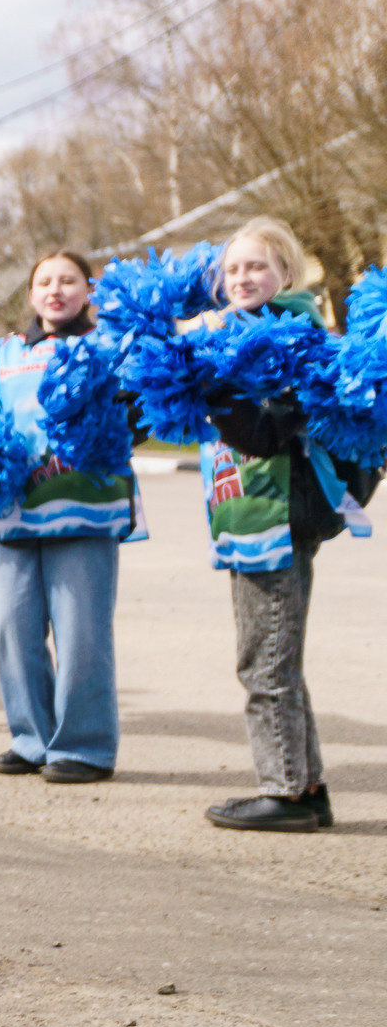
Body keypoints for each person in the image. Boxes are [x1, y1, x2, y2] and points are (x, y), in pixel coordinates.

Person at [191, 218, 361, 831]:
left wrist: (206, 383)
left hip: (278, 520)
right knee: (275, 660)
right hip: (245, 518)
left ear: (286, 275)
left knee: (264, 663)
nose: (242, 278)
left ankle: (285, 791)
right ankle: (306, 787)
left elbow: (264, 434)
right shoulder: (236, 335)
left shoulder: (299, 343)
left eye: (257, 266)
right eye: (232, 269)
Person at [0, 251, 144, 784]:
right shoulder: (0, 354)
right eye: (44, 281)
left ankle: (86, 747)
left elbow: (137, 416)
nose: (56, 289)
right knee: (11, 623)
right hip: (16, 514)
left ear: (88, 291)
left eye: (68, 280)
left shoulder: (112, 347)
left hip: (85, 511)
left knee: (81, 634)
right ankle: (31, 738)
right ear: (30, 295)